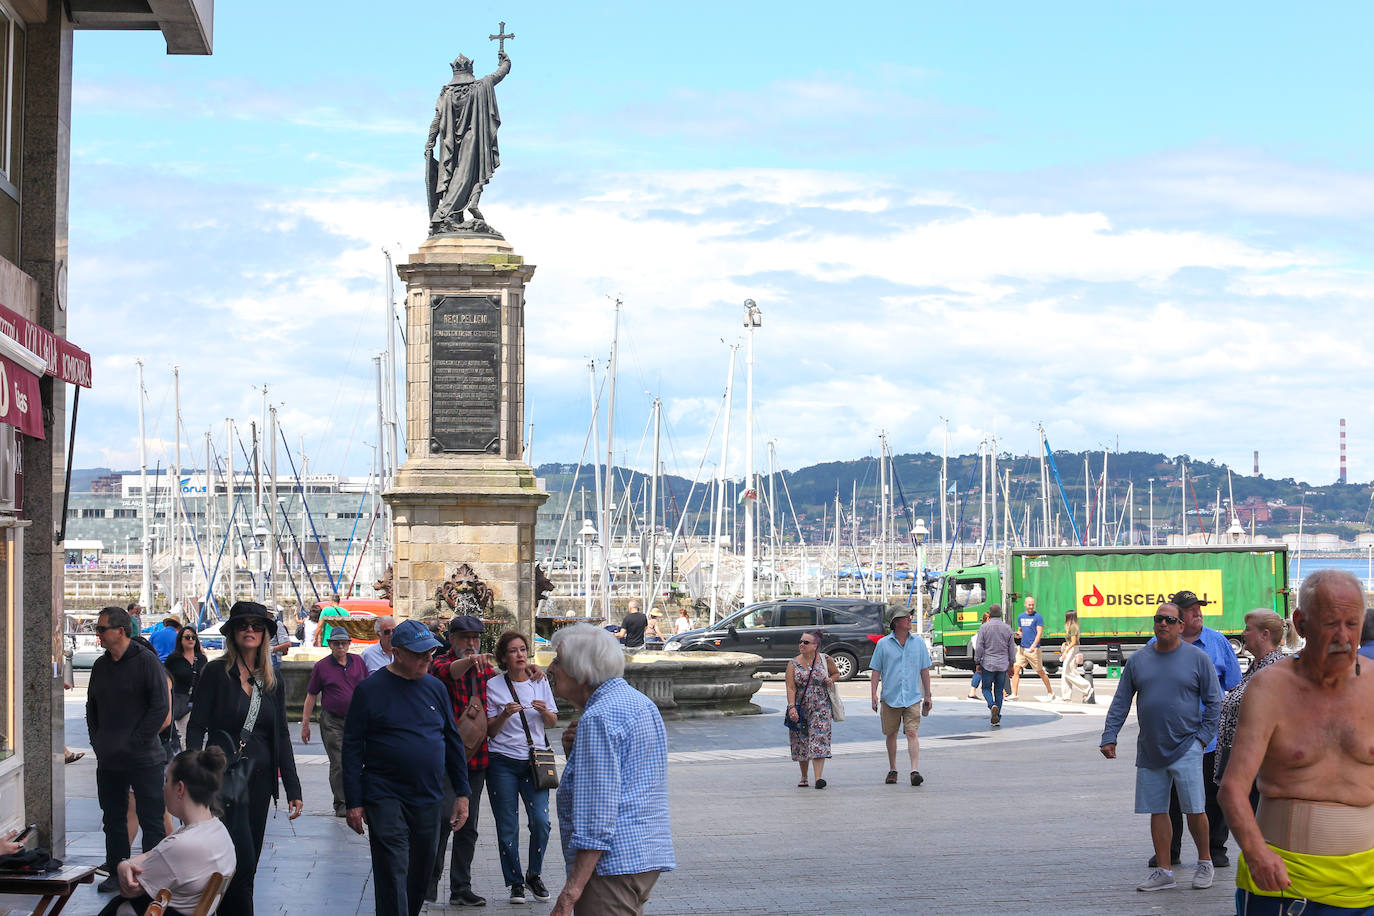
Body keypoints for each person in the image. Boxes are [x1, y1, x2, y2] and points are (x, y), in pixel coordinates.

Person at [1220, 569, 1374, 915]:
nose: (1343, 636)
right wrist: (1256, 852)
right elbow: (1232, 788)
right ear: (1301, 624)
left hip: (1366, 887)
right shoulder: (1270, 687)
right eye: (1331, 623)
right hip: (1283, 885)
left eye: (1352, 623)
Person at [343, 619, 471, 916]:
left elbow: (452, 741)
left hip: (427, 796)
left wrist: (462, 794)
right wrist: (354, 801)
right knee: (392, 867)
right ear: (397, 653)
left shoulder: (436, 688)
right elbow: (351, 746)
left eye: (431, 652)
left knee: (420, 871)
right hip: (384, 793)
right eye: (419, 653)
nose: (428, 658)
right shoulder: (369, 690)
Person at [187, 601, 303, 916]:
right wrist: (194, 774)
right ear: (233, 633)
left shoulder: (272, 679)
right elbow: (197, 725)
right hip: (220, 781)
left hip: (259, 781)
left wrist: (293, 788)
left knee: (248, 858)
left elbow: (281, 735)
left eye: (256, 625)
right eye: (243, 625)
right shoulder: (215, 672)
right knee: (226, 858)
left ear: (265, 633)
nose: (249, 630)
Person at [549, 624, 674, 915]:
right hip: (642, 855)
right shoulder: (637, 702)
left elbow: (597, 811)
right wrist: (578, 757)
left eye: (557, 661)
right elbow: (628, 778)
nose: (551, 668)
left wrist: (571, 891)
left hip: (610, 866)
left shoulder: (599, 718)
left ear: (581, 669)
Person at [1100, 603, 1222, 893]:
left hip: (1187, 746)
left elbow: (1215, 701)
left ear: (1181, 626)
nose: (1163, 624)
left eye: (1170, 620)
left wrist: (1202, 739)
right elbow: (1121, 700)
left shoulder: (1197, 658)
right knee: (1158, 810)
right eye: (1158, 619)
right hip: (1151, 749)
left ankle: (1205, 862)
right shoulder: (1139, 660)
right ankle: (1165, 870)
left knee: (1195, 809)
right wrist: (1109, 735)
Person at [1152, 588, 1244, 869]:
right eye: (1191, 610)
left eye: (1199, 608)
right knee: (1169, 799)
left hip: (1209, 739)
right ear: (1178, 617)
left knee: (1213, 796)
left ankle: (1216, 849)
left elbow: (1234, 684)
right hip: (1170, 738)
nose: (1198, 613)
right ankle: (1170, 851)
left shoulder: (1217, 642)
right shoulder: (1157, 643)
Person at [87, 605, 170, 894]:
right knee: (113, 818)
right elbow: (92, 708)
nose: (97, 634)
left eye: (101, 629)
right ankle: (116, 870)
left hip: (144, 757)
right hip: (109, 758)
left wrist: (135, 741)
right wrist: (97, 741)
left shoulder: (146, 661)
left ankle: (153, 875)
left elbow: (160, 707)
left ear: (120, 631)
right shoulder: (100, 666)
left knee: (151, 818)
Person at [98, 748, 237, 916]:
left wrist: (122, 866)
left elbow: (129, 889)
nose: (163, 788)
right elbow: (156, 853)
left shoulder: (182, 845)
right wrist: (126, 865)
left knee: (122, 904)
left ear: (180, 789)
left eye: (166, 780)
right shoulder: (218, 831)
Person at [485, 631, 559, 904]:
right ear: (503, 657)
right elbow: (490, 732)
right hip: (501, 761)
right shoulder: (493, 685)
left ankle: (534, 874)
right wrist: (504, 714)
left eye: (522, 649)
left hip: (534, 762)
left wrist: (543, 711)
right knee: (507, 827)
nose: (519, 654)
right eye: (513, 651)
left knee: (541, 822)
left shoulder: (539, 681)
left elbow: (552, 722)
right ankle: (515, 882)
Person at [427, 615, 496, 907]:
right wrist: (471, 660)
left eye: (475, 638)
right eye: (465, 638)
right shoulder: (441, 663)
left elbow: (506, 684)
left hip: (477, 760)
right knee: (442, 820)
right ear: (452, 639)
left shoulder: (486, 671)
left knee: (469, 827)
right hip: (445, 759)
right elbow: (449, 672)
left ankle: (461, 888)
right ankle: (428, 884)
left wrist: (530, 672)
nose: (471, 643)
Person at [425, 49, 510, 234]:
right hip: (472, 140)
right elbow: (497, 76)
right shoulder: (479, 86)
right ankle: (447, 213)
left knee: (454, 176)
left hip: (449, 146)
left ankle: (453, 213)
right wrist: (506, 64)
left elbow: (437, 120)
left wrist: (430, 141)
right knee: (465, 177)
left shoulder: (446, 93)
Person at [1213, 610, 1286, 800]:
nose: (1243, 634)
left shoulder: (1274, 669)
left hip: (1259, 771)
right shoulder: (1256, 667)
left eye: (1248, 629)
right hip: (1245, 769)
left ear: (1265, 634)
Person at [301, 627, 369, 817]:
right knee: (339, 762)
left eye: (343, 643)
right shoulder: (322, 666)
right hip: (332, 720)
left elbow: (368, 689)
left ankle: (359, 799)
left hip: (357, 720)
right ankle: (341, 803)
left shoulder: (358, 662)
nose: (340, 647)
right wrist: (305, 724)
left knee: (360, 759)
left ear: (349, 644)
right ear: (330, 645)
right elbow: (311, 696)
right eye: (336, 643)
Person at [869, 607, 933, 786]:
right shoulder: (883, 644)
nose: (909, 619)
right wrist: (873, 694)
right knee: (891, 733)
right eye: (905, 617)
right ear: (895, 622)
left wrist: (928, 695)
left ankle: (914, 770)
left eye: (909, 616)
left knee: (912, 732)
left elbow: (924, 670)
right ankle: (893, 768)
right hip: (890, 696)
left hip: (912, 696)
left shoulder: (918, 643)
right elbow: (876, 670)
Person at [786, 629, 839, 789]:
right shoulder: (793, 663)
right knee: (801, 741)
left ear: (815, 645)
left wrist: (830, 679)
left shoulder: (825, 660)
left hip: (821, 706)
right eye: (800, 642)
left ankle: (818, 778)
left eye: (806, 642)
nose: (801, 644)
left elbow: (836, 673)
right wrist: (791, 707)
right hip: (801, 707)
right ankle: (804, 776)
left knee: (819, 740)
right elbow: (790, 687)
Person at [973, 605, 1016, 726]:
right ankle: (998, 714)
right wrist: (1011, 664)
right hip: (1002, 664)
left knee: (986, 688)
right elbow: (1011, 648)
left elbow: (979, 646)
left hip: (988, 663)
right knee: (999, 690)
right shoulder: (1007, 628)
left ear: (990, 615)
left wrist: (978, 662)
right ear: (1001, 614)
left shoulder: (984, 628)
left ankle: (992, 705)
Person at [164, 625, 207, 744]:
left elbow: (206, 681)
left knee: (197, 736)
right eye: (187, 637)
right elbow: (165, 679)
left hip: (198, 703)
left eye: (193, 637)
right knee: (183, 736)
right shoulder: (173, 659)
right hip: (180, 702)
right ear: (181, 640)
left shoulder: (201, 659)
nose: (191, 640)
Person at [1009, 596, 1052, 700]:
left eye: (1032, 605)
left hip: (1034, 649)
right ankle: (1014, 694)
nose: (1031, 607)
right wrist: (1018, 634)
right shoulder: (1021, 617)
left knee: (1040, 671)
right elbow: (1020, 631)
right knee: (1016, 669)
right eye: (1029, 605)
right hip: (1022, 648)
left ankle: (1050, 692)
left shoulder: (1038, 617)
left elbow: (1039, 632)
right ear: (1025, 604)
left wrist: (1033, 645)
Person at [1058, 610, 1095, 704]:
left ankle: (1087, 687)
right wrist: (1064, 644)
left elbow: (1074, 642)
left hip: (1072, 650)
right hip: (1070, 649)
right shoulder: (1071, 627)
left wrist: (1066, 651)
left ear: (1069, 618)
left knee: (1067, 673)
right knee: (1066, 673)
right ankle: (1066, 697)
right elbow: (1070, 641)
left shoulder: (1073, 627)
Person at [967, 611, 990, 699]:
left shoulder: (982, 628)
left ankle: (972, 692)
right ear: (988, 619)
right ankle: (1002, 692)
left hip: (983, 654)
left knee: (979, 672)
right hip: (986, 654)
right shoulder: (986, 629)